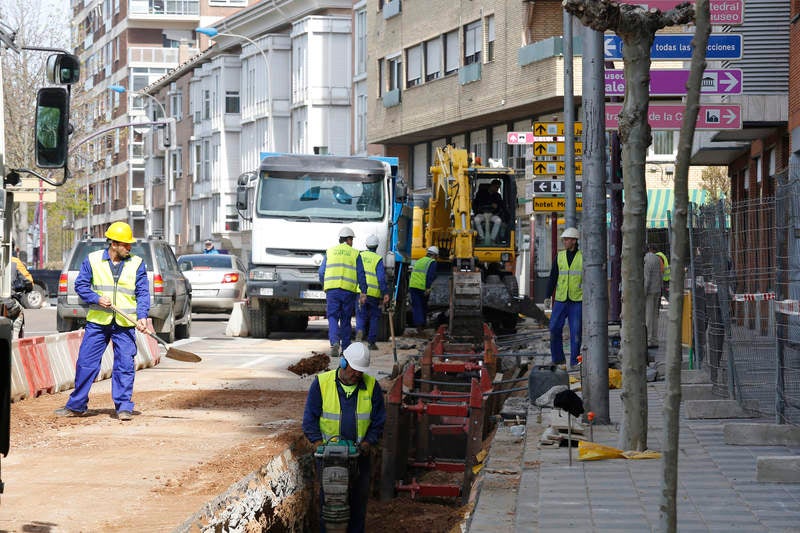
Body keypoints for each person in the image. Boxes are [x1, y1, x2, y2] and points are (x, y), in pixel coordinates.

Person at [55, 221, 150, 421]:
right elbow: (81, 285)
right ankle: (77, 405)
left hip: (124, 324)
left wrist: (142, 317)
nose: (129, 247)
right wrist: (96, 298)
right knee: (86, 364)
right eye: (126, 244)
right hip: (98, 322)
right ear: (113, 244)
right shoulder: (93, 260)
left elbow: (142, 293)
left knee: (124, 365)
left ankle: (124, 407)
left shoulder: (137, 264)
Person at [302, 342, 385, 533]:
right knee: (331, 505)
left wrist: (366, 443)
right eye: (354, 370)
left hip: (359, 459)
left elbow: (378, 421)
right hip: (329, 460)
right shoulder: (321, 384)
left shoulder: (372, 386)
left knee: (357, 504)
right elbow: (309, 420)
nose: (357, 374)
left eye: (361, 371)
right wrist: (318, 444)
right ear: (342, 362)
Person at [319, 227, 368, 358]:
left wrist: (325, 285)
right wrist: (363, 291)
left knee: (333, 317)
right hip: (348, 291)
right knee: (345, 319)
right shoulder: (355, 253)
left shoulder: (330, 252)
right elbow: (361, 274)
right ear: (349, 239)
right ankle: (345, 348)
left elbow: (321, 272)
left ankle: (334, 342)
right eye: (352, 239)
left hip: (332, 291)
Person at [545, 227, 583, 368]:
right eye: (564, 239)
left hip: (577, 300)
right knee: (554, 327)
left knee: (576, 332)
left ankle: (574, 361)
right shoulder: (560, 257)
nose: (564, 242)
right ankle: (558, 358)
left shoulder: (582, 257)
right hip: (561, 299)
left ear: (574, 241)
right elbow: (553, 277)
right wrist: (547, 296)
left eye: (567, 239)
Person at [355, 235, 390, 351]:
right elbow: (381, 278)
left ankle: (359, 333)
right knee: (374, 318)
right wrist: (385, 292)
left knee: (360, 316)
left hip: (360, 292)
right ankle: (371, 343)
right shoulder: (377, 259)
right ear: (377, 246)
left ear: (366, 245)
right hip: (374, 294)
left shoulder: (359, 256)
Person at [408, 246, 438, 335]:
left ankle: (420, 325)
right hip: (422, 287)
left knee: (417, 306)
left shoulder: (419, 260)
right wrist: (428, 288)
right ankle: (420, 327)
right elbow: (430, 276)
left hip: (413, 286)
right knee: (421, 306)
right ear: (434, 255)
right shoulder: (432, 262)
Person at [644, 243, 663, 348]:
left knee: (649, 317)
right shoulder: (657, 259)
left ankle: (649, 339)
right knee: (655, 316)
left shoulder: (646, 260)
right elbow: (660, 274)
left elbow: (646, 278)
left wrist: (643, 293)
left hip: (650, 292)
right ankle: (655, 339)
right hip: (657, 290)